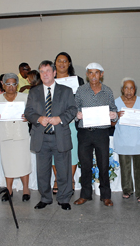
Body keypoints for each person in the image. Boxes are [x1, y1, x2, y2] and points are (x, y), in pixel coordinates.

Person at [24, 60, 77, 211]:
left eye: (48, 71)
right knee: (43, 172)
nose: (45, 74)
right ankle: (45, 198)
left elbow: (73, 109)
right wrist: (38, 119)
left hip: (59, 136)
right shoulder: (34, 92)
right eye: (42, 71)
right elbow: (28, 112)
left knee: (63, 170)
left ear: (54, 73)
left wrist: (60, 119)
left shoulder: (66, 91)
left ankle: (64, 198)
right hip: (41, 138)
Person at [74, 62, 118, 207]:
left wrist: (114, 115)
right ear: (87, 75)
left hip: (101, 133)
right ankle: (85, 195)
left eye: (96, 73)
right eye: (90, 73)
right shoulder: (80, 90)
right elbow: (74, 108)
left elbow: (114, 109)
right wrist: (77, 114)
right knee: (85, 165)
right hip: (85, 133)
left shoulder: (108, 91)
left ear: (101, 74)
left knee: (103, 165)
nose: (93, 76)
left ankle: (105, 196)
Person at [0, 73, 31, 202]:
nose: (11, 87)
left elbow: (32, 114)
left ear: (17, 85)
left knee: (23, 162)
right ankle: (9, 190)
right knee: (8, 163)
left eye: (13, 84)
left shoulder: (25, 98)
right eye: (8, 84)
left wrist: (28, 117)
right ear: (3, 84)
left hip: (21, 135)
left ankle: (26, 190)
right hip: (6, 136)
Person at [112, 78, 140, 202]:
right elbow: (111, 124)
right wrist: (116, 116)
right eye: (126, 88)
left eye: (132, 88)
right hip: (123, 140)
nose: (129, 91)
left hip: (139, 140)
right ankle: (127, 190)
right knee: (125, 168)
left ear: (135, 90)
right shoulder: (116, 103)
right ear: (122, 89)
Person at [52, 52, 84, 194]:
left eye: (65, 61)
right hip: (54, 121)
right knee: (55, 150)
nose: (62, 63)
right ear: (55, 63)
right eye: (59, 61)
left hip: (72, 120)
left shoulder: (78, 80)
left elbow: (82, 99)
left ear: (69, 63)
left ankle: (70, 179)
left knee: (72, 151)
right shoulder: (49, 80)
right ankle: (57, 179)